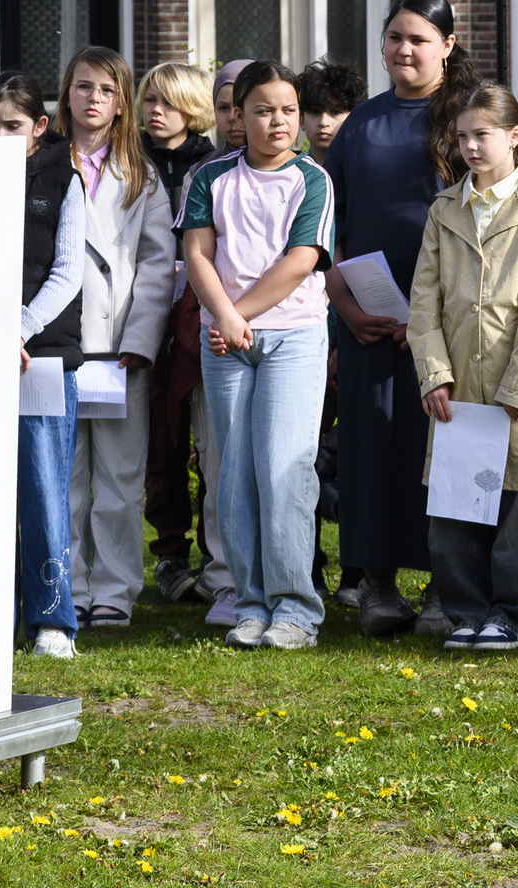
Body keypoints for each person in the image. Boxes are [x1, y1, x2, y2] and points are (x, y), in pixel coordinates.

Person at [323, 0, 480, 638]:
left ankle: (447, 587)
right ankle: (377, 586)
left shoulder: (468, 119)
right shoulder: (360, 123)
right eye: (394, 37)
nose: (403, 50)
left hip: (446, 320)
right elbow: (324, 224)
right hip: (369, 321)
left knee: (439, 449)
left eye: (418, 39)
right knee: (373, 448)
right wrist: (345, 304)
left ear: (447, 44)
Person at [178, 59, 337, 650]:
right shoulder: (210, 176)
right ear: (238, 116)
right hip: (224, 337)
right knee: (235, 472)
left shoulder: (312, 179)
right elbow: (197, 253)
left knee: (284, 469)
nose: (278, 122)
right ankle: (250, 603)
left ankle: (295, 609)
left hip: (290, 338)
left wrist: (234, 316)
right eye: (263, 110)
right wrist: (222, 316)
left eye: (288, 111)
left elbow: (301, 261)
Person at [408, 84, 518, 651]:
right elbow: (422, 303)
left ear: (515, 137)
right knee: (455, 509)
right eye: (462, 137)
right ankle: (465, 611)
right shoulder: (444, 209)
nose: (470, 146)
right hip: (456, 384)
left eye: (483, 135)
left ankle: (512, 615)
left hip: (514, 387)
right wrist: (433, 374)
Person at [60, 49, 175, 632]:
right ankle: (70, 586)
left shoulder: (144, 175)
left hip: (119, 346)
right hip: (59, 344)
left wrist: (142, 340)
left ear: (122, 101)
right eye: (83, 87)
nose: (94, 99)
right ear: (67, 95)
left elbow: (159, 265)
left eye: (106, 89)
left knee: (121, 479)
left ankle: (116, 589)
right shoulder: (48, 163)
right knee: (67, 475)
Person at [0, 72, 86, 659]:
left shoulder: (63, 178)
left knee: (44, 486)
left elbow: (68, 272)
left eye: (13, 126)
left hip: (38, 357)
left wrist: (15, 329)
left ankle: (53, 620)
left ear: (40, 127)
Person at [138, 62, 222, 608]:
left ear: (192, 108)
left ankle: (219, 562)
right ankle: (170, 554)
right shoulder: (129, 158)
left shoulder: (215, 166)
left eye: (167, 102)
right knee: (157, 443)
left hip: (198, 314)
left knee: (207, 441)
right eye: (148, 100)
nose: (155, 111)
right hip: (142, 312)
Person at [298, 57, 367, 607]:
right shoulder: (291, 176)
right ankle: (308, 565)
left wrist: (344, 341)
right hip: (300, 333)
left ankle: (359, 571)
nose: (324, 123)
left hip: (359, 331)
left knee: (361, 456)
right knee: (301, 456)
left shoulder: (363, 175)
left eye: (337, 112)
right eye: (315, 110)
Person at [301, 59, 364, 158]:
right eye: (314, 111)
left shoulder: (367, 171)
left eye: (335, 112)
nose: (323, 122)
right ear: (301, 120)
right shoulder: (290, 173)